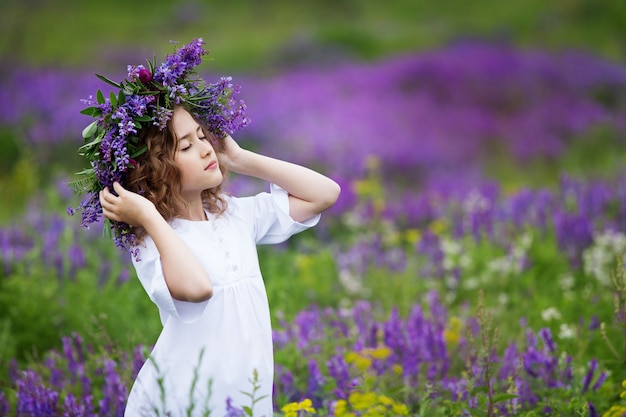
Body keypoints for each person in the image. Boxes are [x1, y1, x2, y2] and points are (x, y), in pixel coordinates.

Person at [72, 39, 340, 416]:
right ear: (154, 170)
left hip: (244, 399)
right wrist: (148, 215)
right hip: (183, 402)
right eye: (185, 146)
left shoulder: (234, 216)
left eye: (202, 136)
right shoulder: (151, 240)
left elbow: (325, 193)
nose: (205, 149)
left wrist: (244, 160)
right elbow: (197, 289)